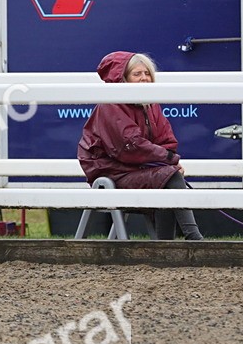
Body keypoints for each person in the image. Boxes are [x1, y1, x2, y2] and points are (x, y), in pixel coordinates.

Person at [77, 51, 203, 240]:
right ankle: (192, 237)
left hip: (139, 170)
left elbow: (166, 140)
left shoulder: (151, 104)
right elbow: (130, 145)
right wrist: (170, 160)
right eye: (137, 74)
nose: (144, 78)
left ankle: (167, 246)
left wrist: (167, 160)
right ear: (124, 78)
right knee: (168, 176)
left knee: (166, 177)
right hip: (113, 173)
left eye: (147, 73)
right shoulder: (110, 104)